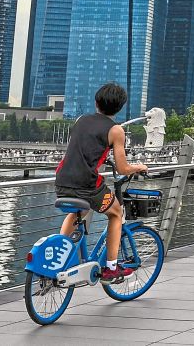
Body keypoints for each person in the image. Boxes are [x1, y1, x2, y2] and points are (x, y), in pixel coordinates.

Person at [54, 82, 148, 281]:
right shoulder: (116, 130)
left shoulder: (81, 120)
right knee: (116, 213)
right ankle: (111, 268)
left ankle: (59, 257)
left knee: (78, 212)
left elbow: (84, 148)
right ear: (119, 108)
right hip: (86, 185)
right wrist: (138, 167)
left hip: (62, 180)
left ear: (96, 102)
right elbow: (123, 168)